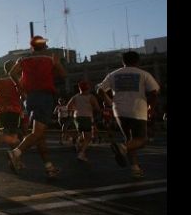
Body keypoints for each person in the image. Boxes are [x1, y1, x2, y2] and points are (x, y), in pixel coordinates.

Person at [6, 36, 66, 178]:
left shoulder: (23, 60)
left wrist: (19, 86)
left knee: (40, 135)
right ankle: (16, 153)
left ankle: (49, 167)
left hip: (30, 99)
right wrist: (57, 63)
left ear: (32, 47)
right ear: (44, 47)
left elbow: (12, 73)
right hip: (44, 97)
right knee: (37, 133)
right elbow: (63, 75)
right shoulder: (49, 60)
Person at [97, 51, 160, 179]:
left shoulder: (113, 74)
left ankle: (135, 168)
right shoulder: (143, 74)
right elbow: (154, 92)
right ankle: (122, 147)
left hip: (119, 111)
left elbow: (99, 90)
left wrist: (108, 101)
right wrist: (151, 109)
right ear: (138, 61)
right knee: (142, 140)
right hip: (137, 109)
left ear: (123, 62)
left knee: (130, 139)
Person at [0, 60, 22, 149]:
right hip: (14, 108)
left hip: (2, 109)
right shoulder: (17, 80)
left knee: (9, 132)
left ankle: (13, 154)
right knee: (12, 133)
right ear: (13, 68)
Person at [67, 80, 100, 163]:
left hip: (77, 117)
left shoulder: (75, 97)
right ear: (88, 88)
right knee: (88, 137)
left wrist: (75, 109)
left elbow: (68, 107)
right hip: (86, 117)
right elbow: (97, 108)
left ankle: (78, 143)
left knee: (82, 134)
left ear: (79, 88)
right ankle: (81, 153)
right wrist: (92, 108)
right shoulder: (91, 97)